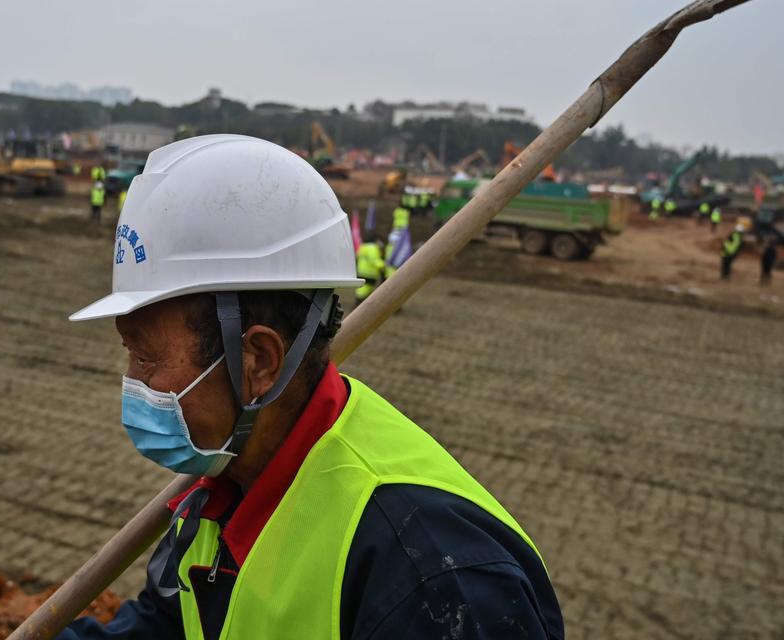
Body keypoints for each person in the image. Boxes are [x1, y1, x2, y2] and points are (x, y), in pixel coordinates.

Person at [61, 135, 562, 640]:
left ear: (258, 360)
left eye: (147, 356)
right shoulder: (218, 496)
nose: (133, 383)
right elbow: (165, 628)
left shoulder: (429, 578)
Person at [355, 239, 385, 303]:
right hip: (370, 273)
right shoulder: (372, 249)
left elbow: (358, 256)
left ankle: (359, 300)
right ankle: (361, 301)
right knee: (366, 288)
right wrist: (383, 265)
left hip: (361, 271)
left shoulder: (363, 246)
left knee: (362, 288)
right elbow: (374, 260)